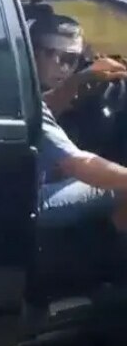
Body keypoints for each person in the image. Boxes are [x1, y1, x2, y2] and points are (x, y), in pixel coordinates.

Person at [30, 11, 127, 229]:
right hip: (28, 204)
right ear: (33, 52)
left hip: (18, 194)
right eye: (54, 55)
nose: (63, 66)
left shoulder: (20, 85)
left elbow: (50, 104)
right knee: (119, 187)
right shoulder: (28, 100)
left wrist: (79, 81)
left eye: (72, 59)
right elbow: (81, 164)